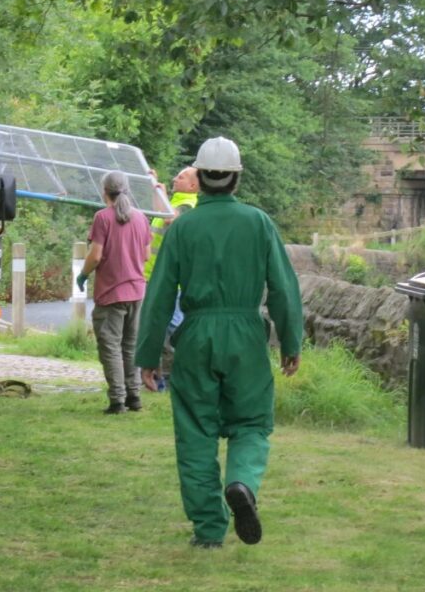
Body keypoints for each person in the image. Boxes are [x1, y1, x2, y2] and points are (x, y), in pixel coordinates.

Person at [135, 136, 303, 548]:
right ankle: (242, 482)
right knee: (251, 423)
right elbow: (283, 287)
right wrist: (291, 341)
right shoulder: (259, 222)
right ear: (235, 178)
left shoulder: (182, 226)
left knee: (195, 431)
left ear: (202, 178)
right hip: (246, 333)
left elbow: (158, 295)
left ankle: (209, 530)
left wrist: (149, 352)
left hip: (195, 335)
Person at [76, 171, 152, 414]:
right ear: (126, 190)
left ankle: (117, 400)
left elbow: (95, 255)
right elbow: (147, 254)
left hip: (111, 293)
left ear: (104, 191)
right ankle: (134, 396)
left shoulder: (102, 218)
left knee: (110, 346)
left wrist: (83, 274)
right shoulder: (141, 218)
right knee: (130, 346)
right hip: (137, 291)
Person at [143, 166, 200, 387]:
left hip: (172, 283)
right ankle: (155, 377)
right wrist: (153, 188)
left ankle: (171, 380)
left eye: (182, 177)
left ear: (193, 186)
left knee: (172, 330)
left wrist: (160, 192)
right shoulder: (175, 203)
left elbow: (170, 220)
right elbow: (162, 213)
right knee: (155, 328)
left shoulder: (188, 206)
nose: (176, 178)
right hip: (153, 277)